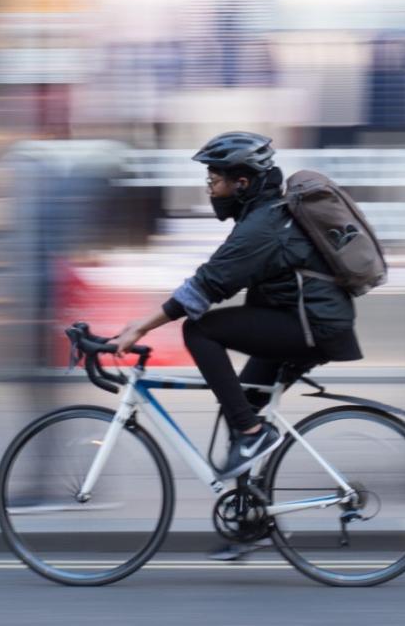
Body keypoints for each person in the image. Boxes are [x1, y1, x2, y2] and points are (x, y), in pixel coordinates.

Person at [110, 132, 364, 554]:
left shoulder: (264, 225)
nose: (210, 186)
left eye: (215, 177)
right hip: (302, 323)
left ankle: (251, 432)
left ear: (242, 182)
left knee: (200, 329)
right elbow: (216, 280)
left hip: (311, 326)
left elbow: (205, 287)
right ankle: (251, 522)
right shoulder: (263, 217)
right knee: (241, 403)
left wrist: (139, 327)